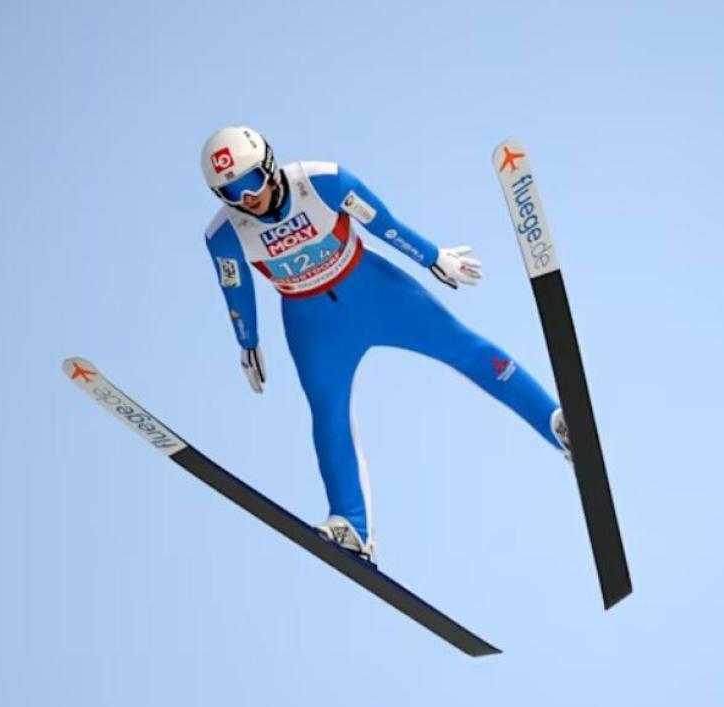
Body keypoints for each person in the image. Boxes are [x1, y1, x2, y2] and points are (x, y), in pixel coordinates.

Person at [199, 126, 568, 562]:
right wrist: (249, 342)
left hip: (375, 292)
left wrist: (434, 257)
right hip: (312, 324)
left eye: (251, 183)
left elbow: (384, 224)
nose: (248, 200)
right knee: (328, 413)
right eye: (231, 194)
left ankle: (557, 425)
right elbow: (235, 289)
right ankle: (350, 526)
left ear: (268, 166)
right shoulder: (224, 234)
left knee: (463, 347)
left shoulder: (321, 182)